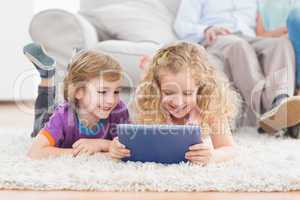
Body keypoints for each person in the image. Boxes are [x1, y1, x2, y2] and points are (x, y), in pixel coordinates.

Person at [173, 0, 300, 135]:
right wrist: (206, 29)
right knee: (239, 45)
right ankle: (267, 115)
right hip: (218, 39)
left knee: (281, 44)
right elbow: (182, 25)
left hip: (250, 39)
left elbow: (260, 29)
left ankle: (280, 101)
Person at [110, 42, 239, 165]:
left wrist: (213, 156)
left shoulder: (209, 105)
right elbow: (135, 142)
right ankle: (147, 68)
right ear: (157, 89)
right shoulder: (152, 104)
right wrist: (117, 148)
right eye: (168, 92)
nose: (178, 102)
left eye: (187, 93)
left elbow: (229, 148)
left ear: (201, 89)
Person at [24, 43, 130, 159]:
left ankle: (75, 64)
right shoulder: (62, 116)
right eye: (102, 92)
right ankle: (47, 76)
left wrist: (101, 144)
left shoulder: (118, 110)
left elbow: (131, 146)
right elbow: (35, 152)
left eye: (116, 92)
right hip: (52, 117)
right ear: (79, 92)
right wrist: (97, 154)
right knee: (44, 114)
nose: (111, 100)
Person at [256, 0, 300, 138]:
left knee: (295, 17)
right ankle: (290, 110)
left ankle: (292, 111)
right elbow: (258, 35)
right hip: (280, 45)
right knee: (294, 20)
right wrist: (278, 33)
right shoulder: (266, 5)